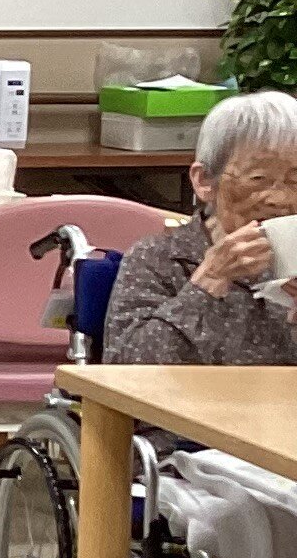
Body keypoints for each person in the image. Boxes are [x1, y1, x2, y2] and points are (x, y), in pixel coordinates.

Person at [105, 87, 297, 368]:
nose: (281, 199)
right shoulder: (159, 259)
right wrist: (209, 281)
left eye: (295, 181)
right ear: (205, 181)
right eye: (258, 179)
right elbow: (125, 368)